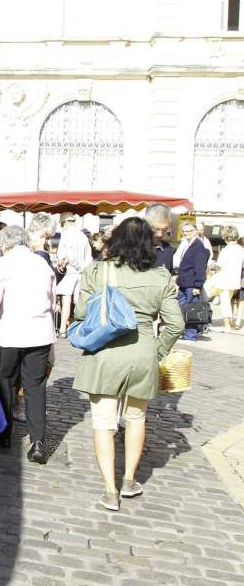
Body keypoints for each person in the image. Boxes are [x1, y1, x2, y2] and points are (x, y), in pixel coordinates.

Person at [72, 218, 183, 511]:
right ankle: (130, 480)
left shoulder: (98, 270)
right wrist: (157, 352)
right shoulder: (161, 277)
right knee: (135, 418)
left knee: (103, 423)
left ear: (116, 240)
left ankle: (110, 490)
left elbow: (82, 311)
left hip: (105, 353)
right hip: (143, 353)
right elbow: (176, 325)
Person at [0, 226, 56, 464]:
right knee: (35, 387)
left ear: (5, 245)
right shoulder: (41, 263)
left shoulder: (3, 264)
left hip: (12, 333)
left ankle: (4, 433)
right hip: (40, 333)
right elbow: (51, 300)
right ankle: (38, 442)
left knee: (6, 383)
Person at [56, 215, 93, 337]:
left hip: (69, 271)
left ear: (65, 222)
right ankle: (78, 327)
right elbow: (89, 256)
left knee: (65, 300)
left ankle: (62, 328)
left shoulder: (66, 235)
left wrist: (64, 263)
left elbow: (63, 255)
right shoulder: (82, 236)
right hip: (82, 272)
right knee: (78, 301)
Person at [175, 221, 209, 341]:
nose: (185, 233)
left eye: (188, 231)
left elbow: (200, 267)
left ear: (195, 231)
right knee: (183, 308)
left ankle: (191, 335)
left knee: (192, 310)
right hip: (184, 283)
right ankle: (188, 332)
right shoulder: (188, 244)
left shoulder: (198, 247)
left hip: (192, 284)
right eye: (183, 231)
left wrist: (197, 286)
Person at [213, 226, 244, 332]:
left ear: (225, 236)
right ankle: (229, 323)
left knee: (225, 302)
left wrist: (212, 266)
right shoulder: (241, 249)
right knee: (227, 300)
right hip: (235, 280)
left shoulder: (226, 250)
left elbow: (219, 265)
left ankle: (227, 326)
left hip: (224, 279)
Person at [144, 203, 175, 270]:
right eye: (156, 229)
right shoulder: (135, 248)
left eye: (164, 229)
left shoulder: (168, 249)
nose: (160, 234)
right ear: (146, 225)